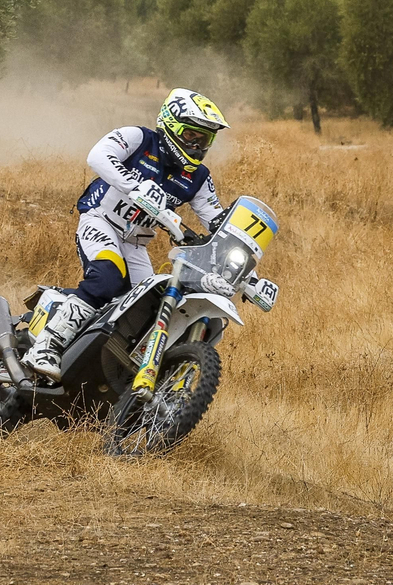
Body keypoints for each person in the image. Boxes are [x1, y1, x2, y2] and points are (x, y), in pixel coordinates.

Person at [21, 88, 236, 380]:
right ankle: (46, 346)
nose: (197, 146)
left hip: (136, 244)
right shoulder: (138, 138)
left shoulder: (198, 178)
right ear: (170, 125)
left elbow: (216, 221)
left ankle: (91, 359)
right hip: (101, 221)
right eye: (191, 136)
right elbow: (98, 156)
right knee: (108, 277)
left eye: (205, 140)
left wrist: (248, 269)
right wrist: (135, 187)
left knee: (145, 311)